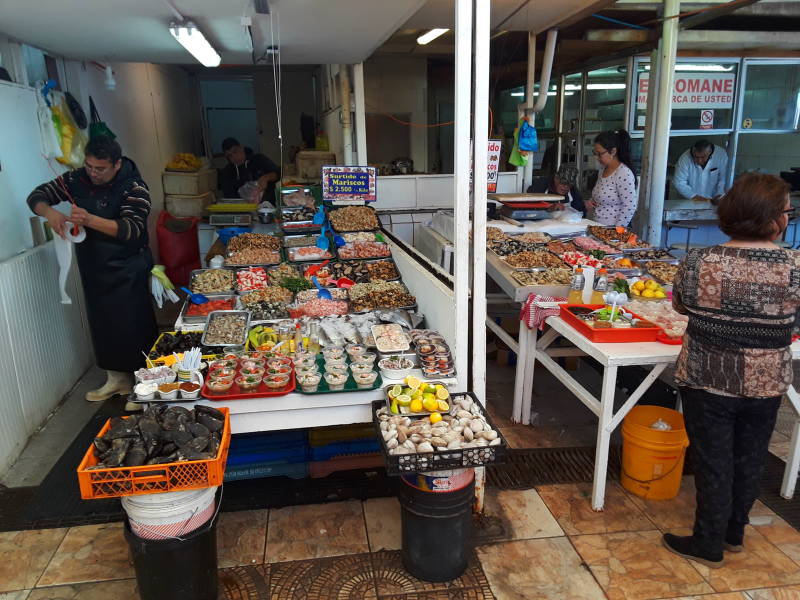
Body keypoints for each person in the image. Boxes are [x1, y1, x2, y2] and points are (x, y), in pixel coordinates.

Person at [664, 172, 800, 569]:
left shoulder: (698, 262)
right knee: (750, 457)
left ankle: (708, 541)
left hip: (708, 377)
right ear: (772, 219)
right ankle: (733, 532)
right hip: (766, 380)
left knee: (714, 459)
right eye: (786, 212)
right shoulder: (794, 266)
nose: (788, 219)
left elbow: (681, 307)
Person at [27, 136, 157, 412]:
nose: (93, 173)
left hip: (128, 266)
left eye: (100, 169)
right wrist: (51, 213)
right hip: (94, 266)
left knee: (134, 325)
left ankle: (145, 385)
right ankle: (116, 379)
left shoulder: (134, 187)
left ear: (116, 164)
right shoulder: (76, 179)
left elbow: (131, 230)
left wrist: (89, 220)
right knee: (103, 325)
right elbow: (36, 196)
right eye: (89, 166)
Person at [586, 129, 638, 227]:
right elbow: (601, 197)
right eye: (595, 153)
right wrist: (591, 202)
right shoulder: (602, 170)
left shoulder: (623, 173)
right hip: (598, 227)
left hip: (612, 232)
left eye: (600, 153)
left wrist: (616, 232)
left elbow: (630, 206)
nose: (597, 157)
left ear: (613, 151)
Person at [219, 138, 280, 202]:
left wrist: (266, 177)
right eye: (229, 155)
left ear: (241, 147)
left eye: (235, 151)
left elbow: (278, 173)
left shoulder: (259, 159)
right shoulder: (227, 171)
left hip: (268, 204)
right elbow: (228, 195)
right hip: (243, 208)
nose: (234, 157)